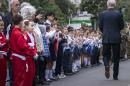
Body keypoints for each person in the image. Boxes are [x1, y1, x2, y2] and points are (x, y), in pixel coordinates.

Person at [99, 0, 124, 80]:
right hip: (116, 37)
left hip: (106, 37)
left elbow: (100, 26)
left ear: (107, 5)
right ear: (115, 5)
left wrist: (105, 32)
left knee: (105, 55)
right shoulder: (119, 14)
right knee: (116, 57)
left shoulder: (102, 14)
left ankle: (106, 65)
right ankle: (115, 75)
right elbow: (122, 26)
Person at [10, 15, 35, 86]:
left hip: (16, 57)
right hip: (20, 58)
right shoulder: (18, 33)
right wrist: (32, 51)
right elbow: (23, 47)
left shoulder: (14, 31)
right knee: (21, 79)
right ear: (20, 22)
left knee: (18, 78)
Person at [23, 20, 38, 86]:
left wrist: (35, 52)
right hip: (27, 58)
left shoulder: (32, 35)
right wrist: (33, 53)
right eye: (31, 26)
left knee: (32, 74)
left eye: (33, 26)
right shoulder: (25, 35)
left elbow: (34, 45)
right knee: (27, 75)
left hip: (32, 57)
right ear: (26, 27)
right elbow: (25, 47)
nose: (33, 27)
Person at [0, 15, 8, 86]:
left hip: (3, 59)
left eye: (3, 25)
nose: (2, 27)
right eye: (1, 25)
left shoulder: (3, 34)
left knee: (4, 75)